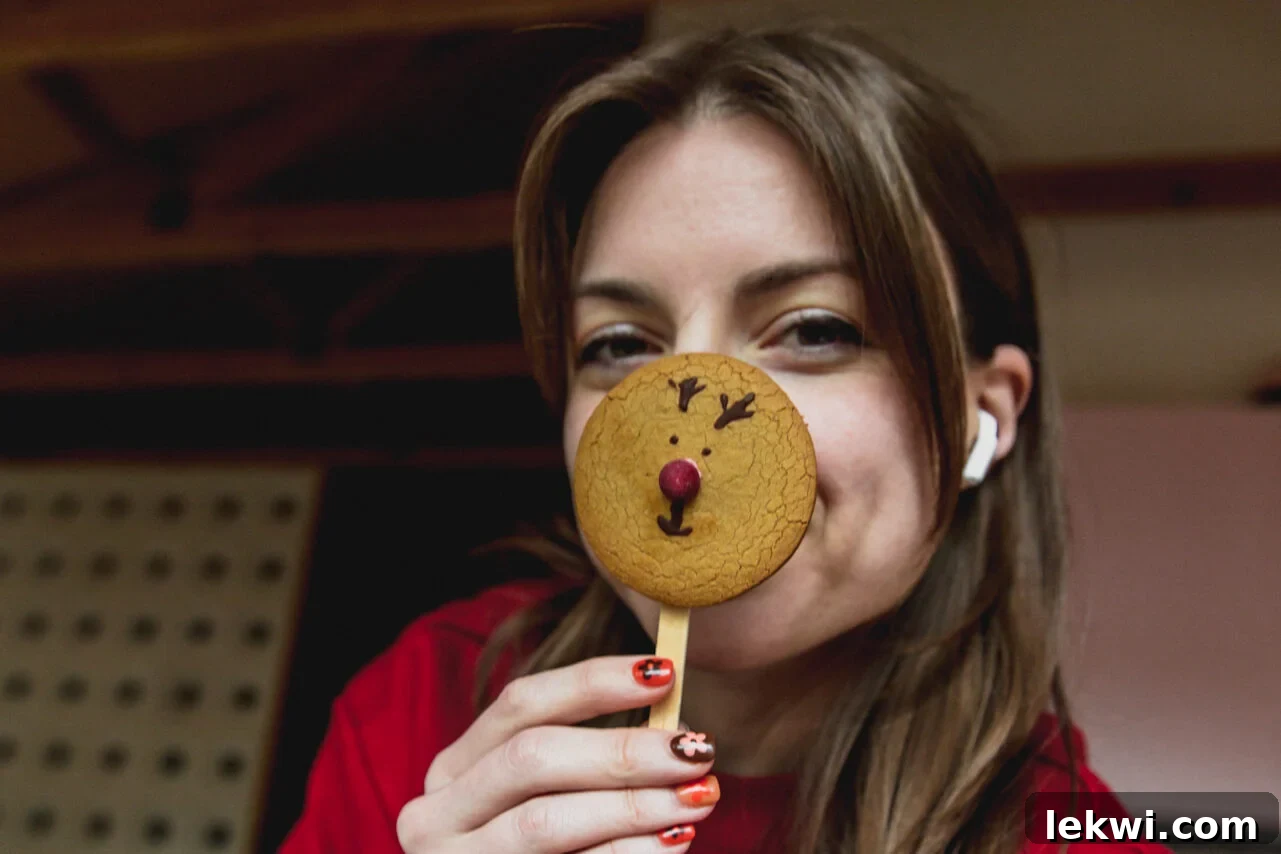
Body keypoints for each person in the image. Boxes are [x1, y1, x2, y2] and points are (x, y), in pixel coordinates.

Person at [280, 23, 1171, 854]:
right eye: (621, 345)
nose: (683, 441)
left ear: (987, 415)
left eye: (816, 330)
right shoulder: (426, 706)